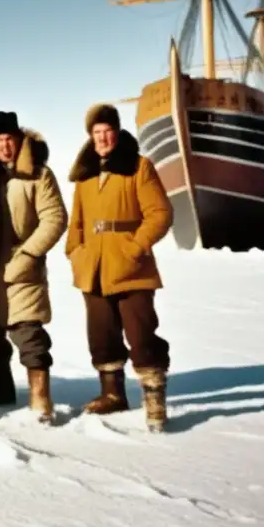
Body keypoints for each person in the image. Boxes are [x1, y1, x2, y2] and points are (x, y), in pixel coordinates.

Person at [65, 103, 173, 432]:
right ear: (90, 136)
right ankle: (112, 394)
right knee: (101, 336)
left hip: (131, 268)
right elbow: (77, 221)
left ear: (117, 131)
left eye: (107, 131)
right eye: (97, 133)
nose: (103, 138)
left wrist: (135, 247)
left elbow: (160, 213)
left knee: (141, 335)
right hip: (92, 269)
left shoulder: (138, 167)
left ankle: (154, 397)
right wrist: (75, 252)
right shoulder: (84, 176)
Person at [0, 111, 68, 423]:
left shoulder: (38, 174)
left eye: (9, 139)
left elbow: (55, 218)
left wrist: (29, 255)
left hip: (22, 262)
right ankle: (2, 388)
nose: (5, 145)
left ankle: (40, 399)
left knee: (28, 332)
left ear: (19, 139)